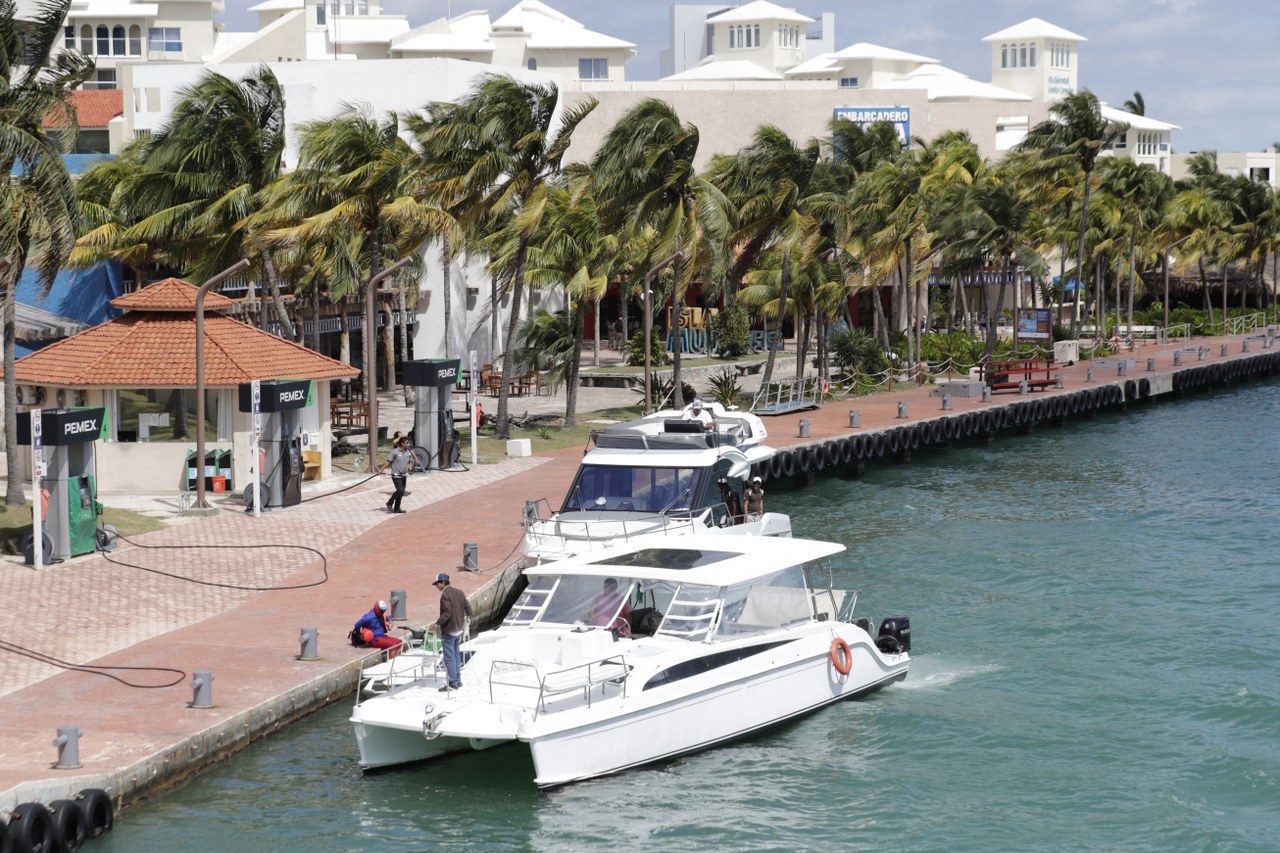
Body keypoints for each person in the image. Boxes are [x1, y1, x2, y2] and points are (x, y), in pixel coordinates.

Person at [431, 573, 472, 691]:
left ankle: (453, 683)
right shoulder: (459, 592)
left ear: (443, 582)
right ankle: (458, 681)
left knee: (449, 658)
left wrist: (437, 624)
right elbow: (468, 608)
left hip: (449, 630)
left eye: (437, 584)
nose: (436, 587)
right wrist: (466, 619)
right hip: (459, 629)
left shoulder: (445, 595)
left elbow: (447, 612)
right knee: (456, 655)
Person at [379, 435, 413, 513]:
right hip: (396, 475)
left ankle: (397, 508)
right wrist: (381, 469)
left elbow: (410, 461)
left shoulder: (408, 452)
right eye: (407, 443)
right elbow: (388, 462)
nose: (408, 444)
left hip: (404, 475)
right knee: (400, 490)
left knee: (401, 492)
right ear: (402, 443)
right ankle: (390, 502)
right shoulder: (395, 452)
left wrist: (410, 467)